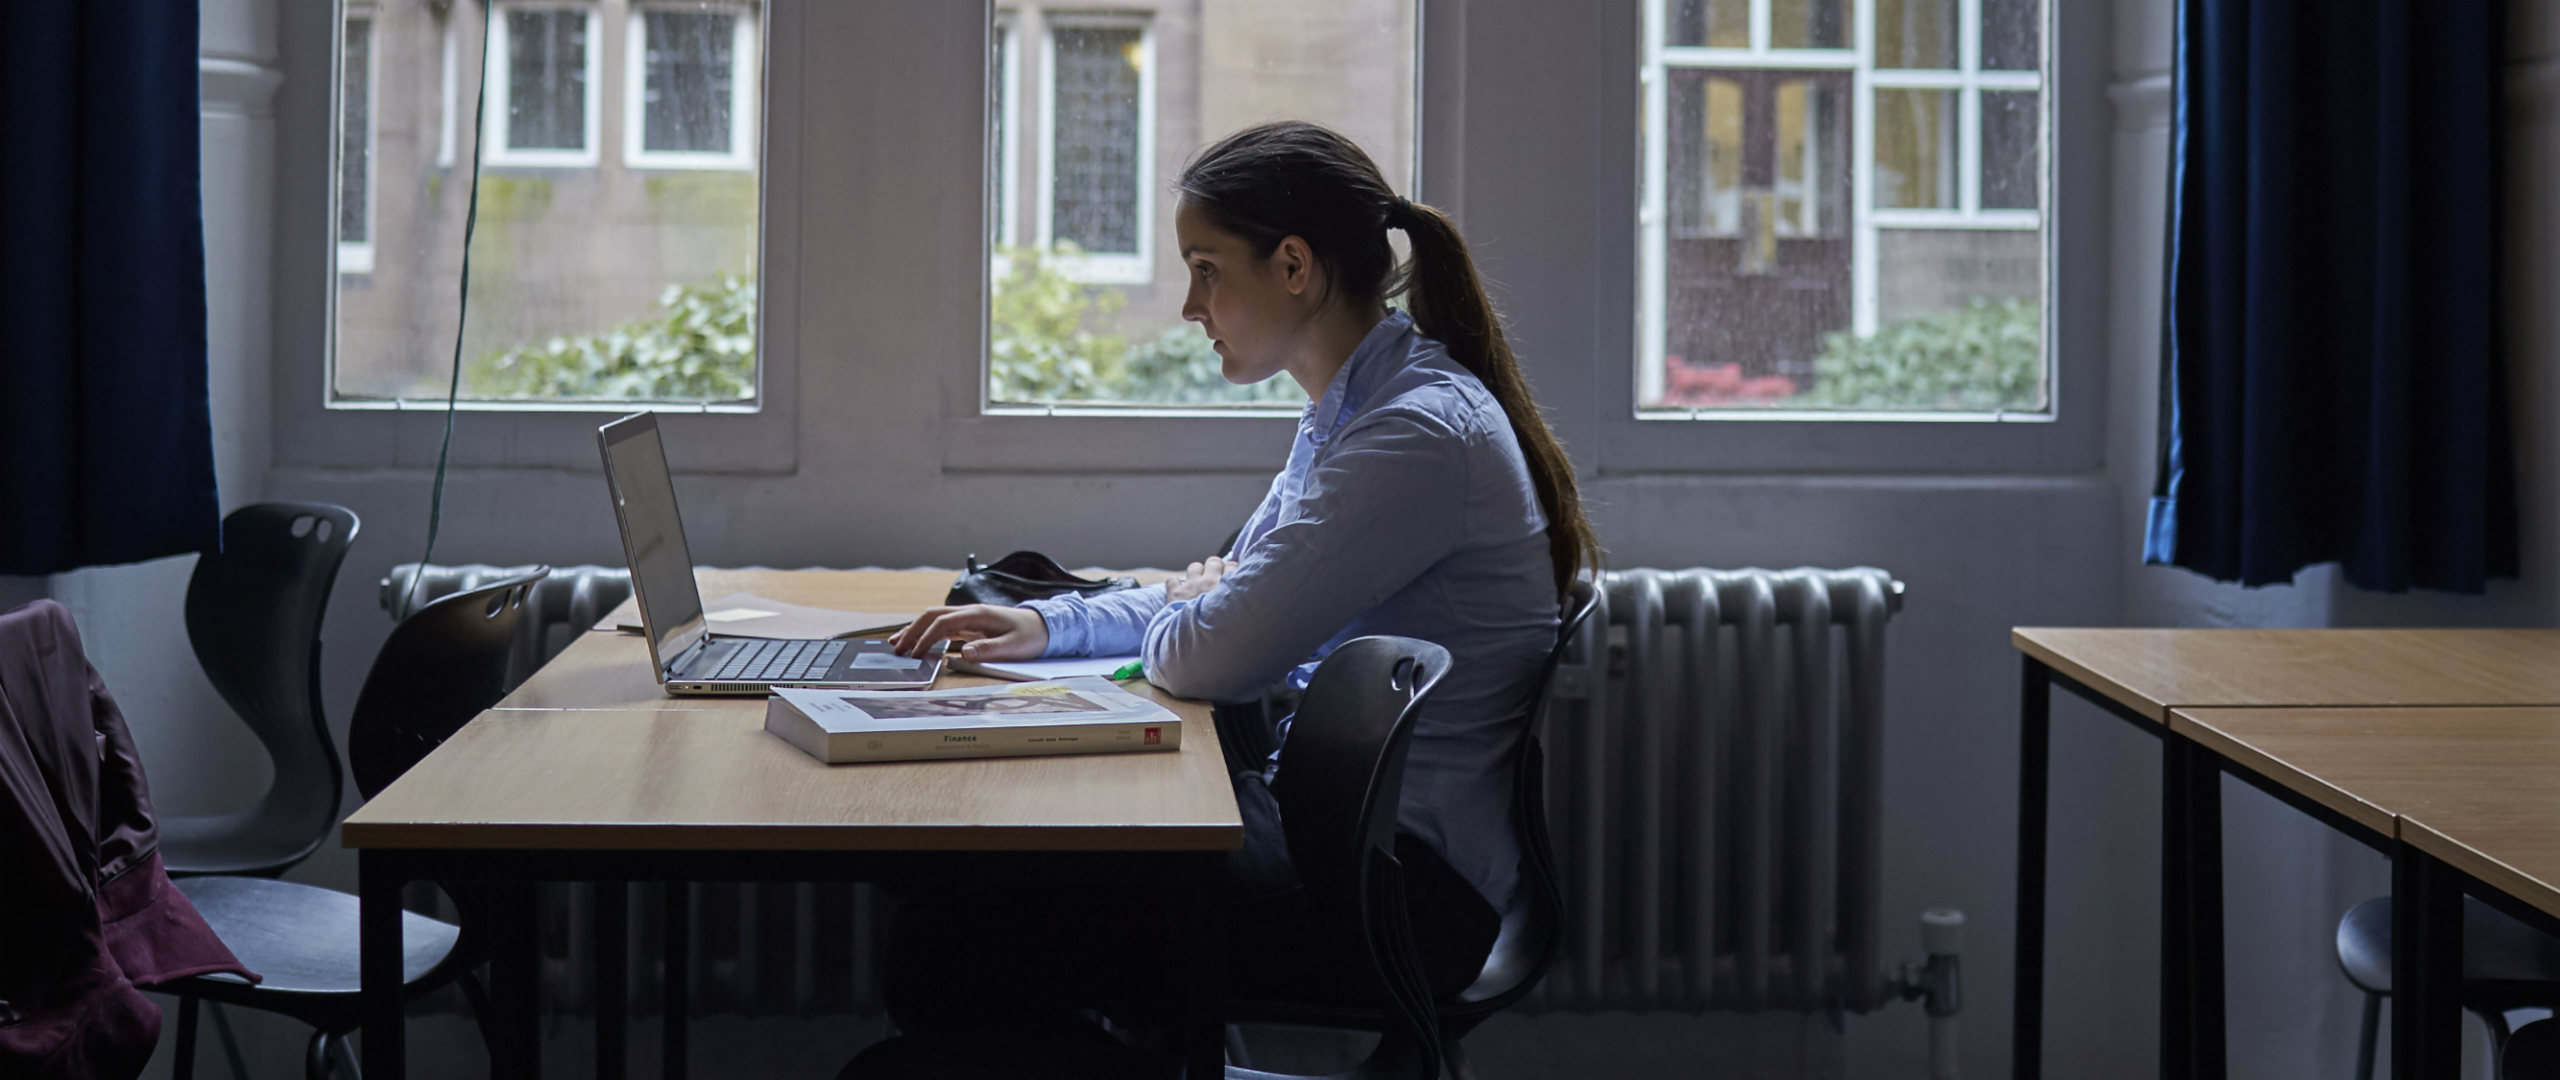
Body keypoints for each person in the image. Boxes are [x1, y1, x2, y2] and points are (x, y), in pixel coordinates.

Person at [859, 120, 1598, 1078]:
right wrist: (1046, 623)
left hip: (1400, 892)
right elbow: (1208, 606)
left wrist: (1209, 607)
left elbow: (1213, 648)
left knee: (951, 947)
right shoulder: (1354, 405)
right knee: (952, 913)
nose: (1188, 305)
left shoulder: (1412, 437)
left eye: (1207, 269)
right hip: (1334, 839)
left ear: (1293, 265)